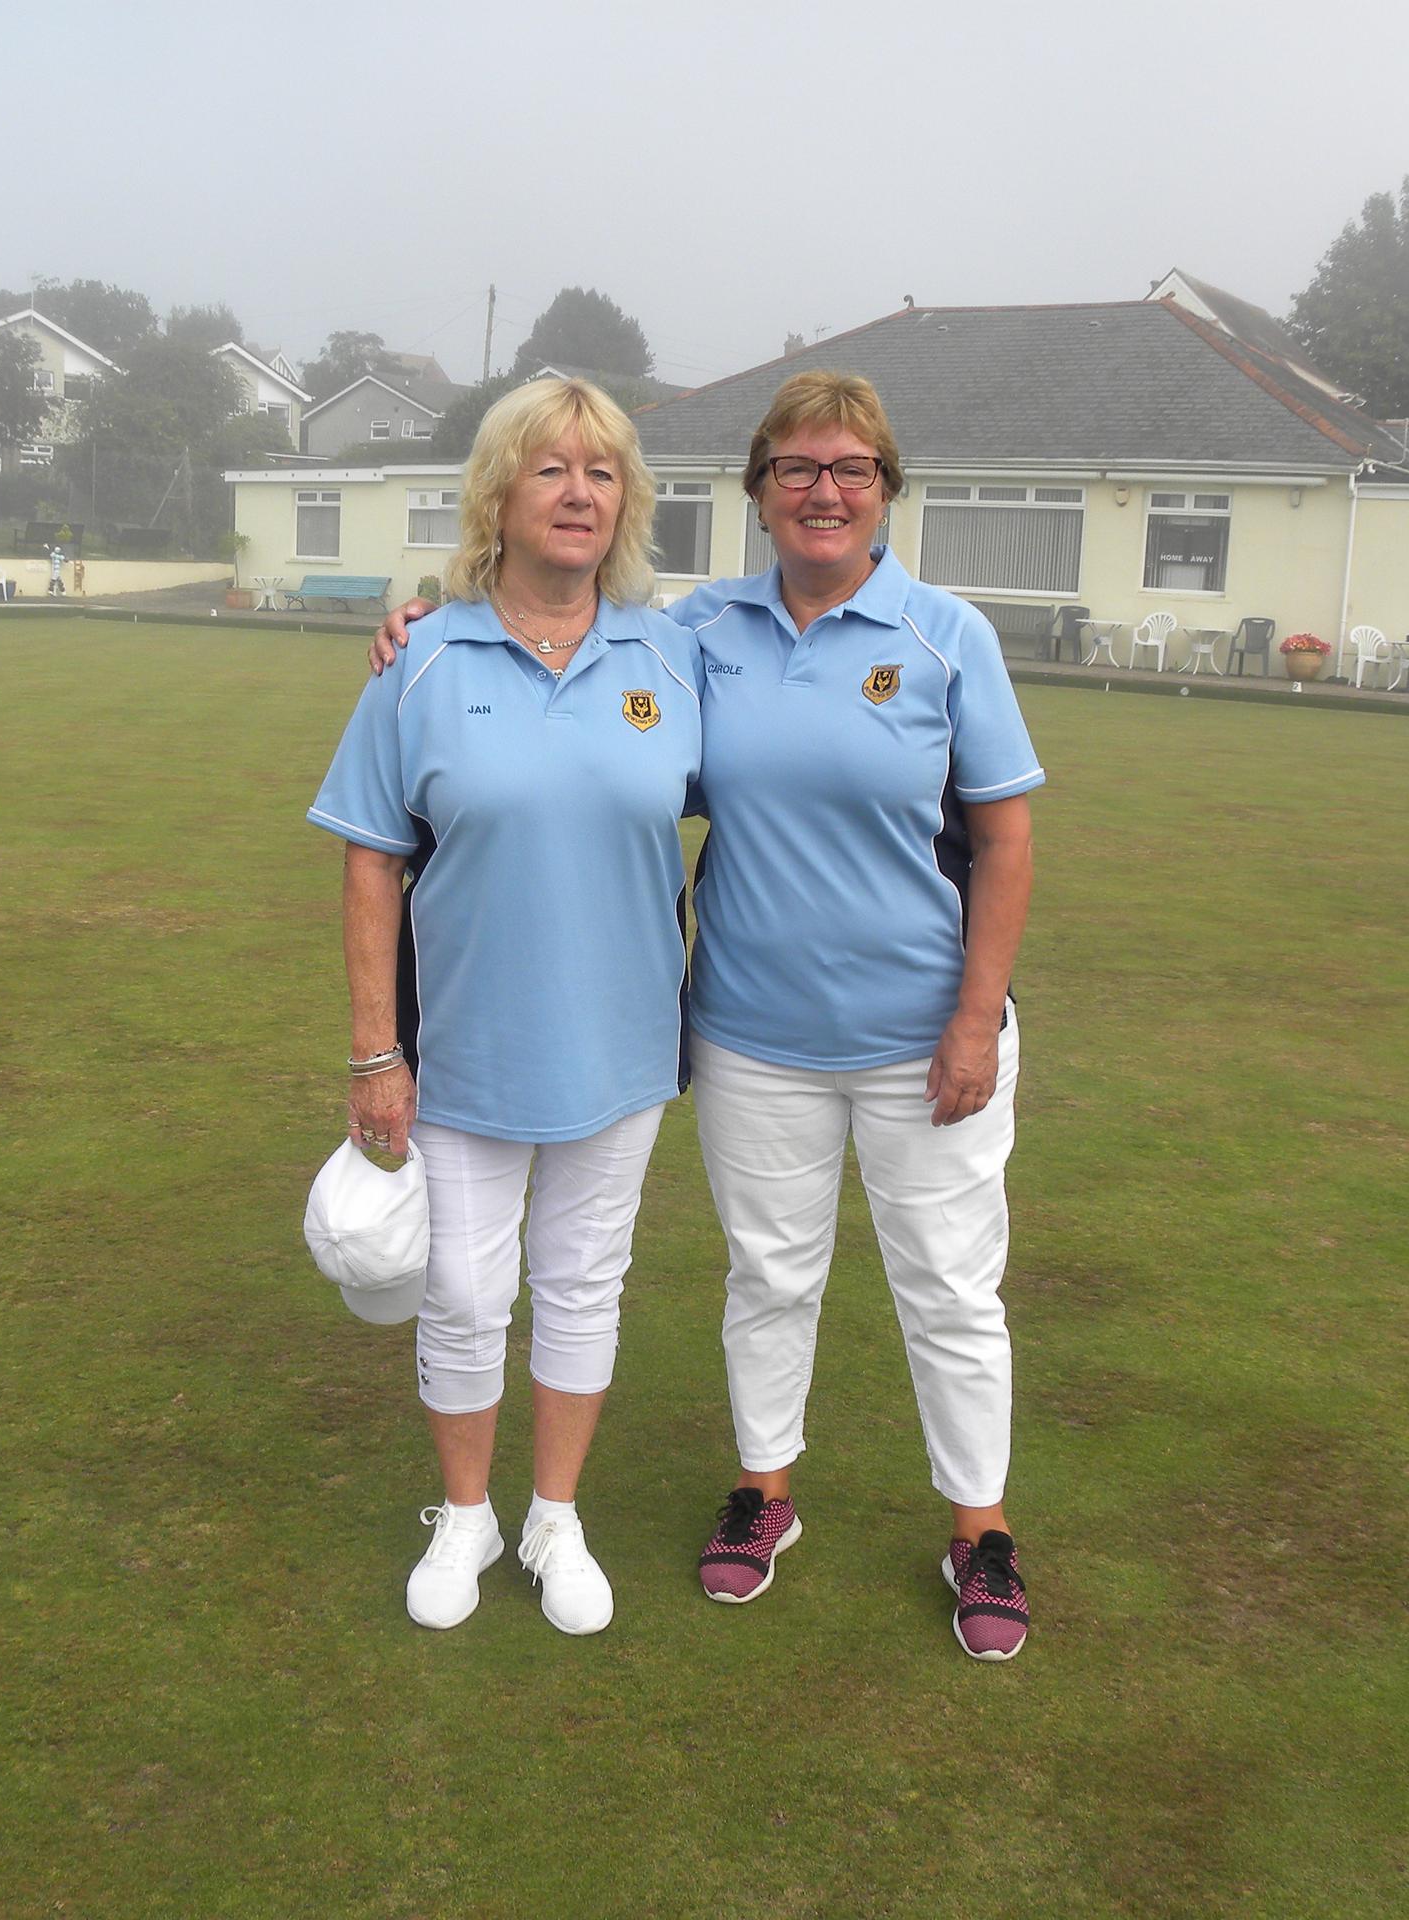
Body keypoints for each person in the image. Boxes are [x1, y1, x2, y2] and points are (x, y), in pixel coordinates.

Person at [375, 372, 1043, 1659]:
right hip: (745, 1030)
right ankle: (764, 1496)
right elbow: (548, 638)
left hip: (927, 1036)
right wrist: (425, 620)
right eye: (796, 469)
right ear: (758, 492)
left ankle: (981, 1531)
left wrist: (975, 1019)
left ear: (887, 491)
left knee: (952, 1293)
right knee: (770, 1277)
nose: (824, 492)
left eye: (851, 469)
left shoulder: (950, 635)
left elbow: (1005, 844)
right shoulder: (695, 634)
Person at [309, 379, 700, 1637]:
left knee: (585, 1285)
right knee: (467, 1299)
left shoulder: (674, 651)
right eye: (550, 469)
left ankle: (556, 1516)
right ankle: (466, 1515)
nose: (579, 492)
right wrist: (376, 1051)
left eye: (601, 471)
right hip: (463, 1050)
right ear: (499, 494)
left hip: (625, 1043)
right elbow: (371, 855)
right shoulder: (421, 660)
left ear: (625, 500)